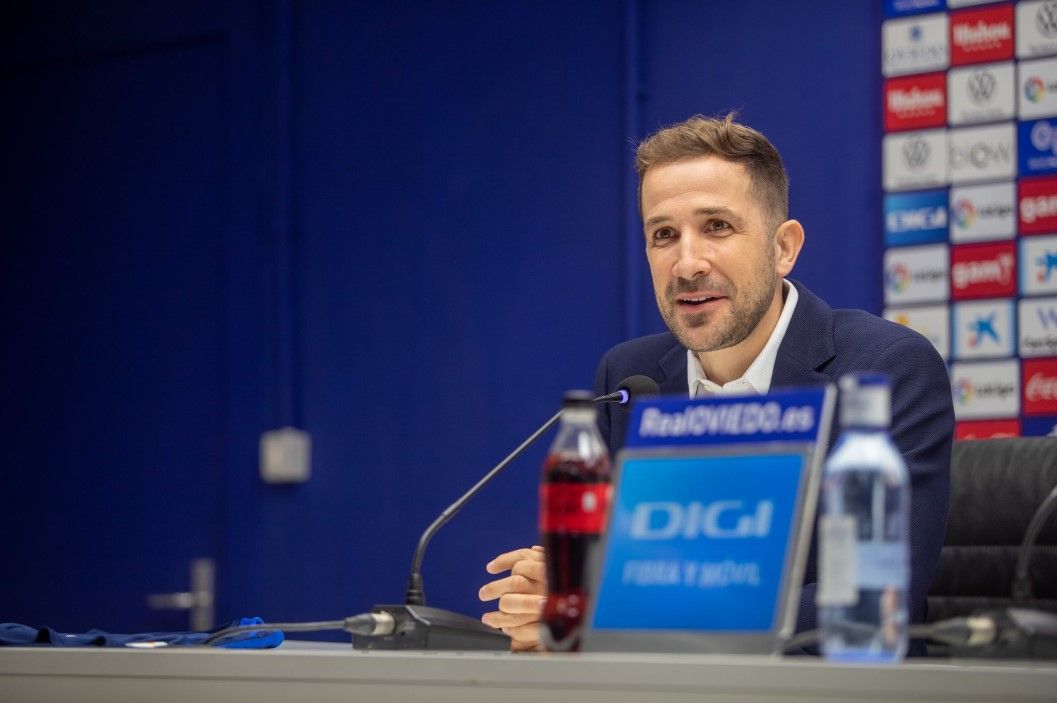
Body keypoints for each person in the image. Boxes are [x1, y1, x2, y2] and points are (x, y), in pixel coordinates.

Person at [478, 113, 954, 652]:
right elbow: (615, 584)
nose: (686, 263)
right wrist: (561, 608)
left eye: (717, 227)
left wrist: (622, 615)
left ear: (784, 249)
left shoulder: (885, 370)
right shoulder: (629, 381)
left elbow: (874, 604)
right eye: (663, 235)